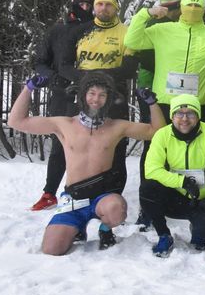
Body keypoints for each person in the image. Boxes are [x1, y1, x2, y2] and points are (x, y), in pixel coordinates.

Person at [8, 71, 165, 254]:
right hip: (74, 198)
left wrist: (152, 104)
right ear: (83, 95)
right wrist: (29, 88)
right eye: (91, 93)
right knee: (52, 249)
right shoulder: (64, 124)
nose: (96, 99)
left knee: (116, 209)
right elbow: (16, 121)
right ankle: (77, 229)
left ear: (108, 99)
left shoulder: (117, 127)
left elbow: (157, 131)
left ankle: (105, 229)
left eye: (102, 95)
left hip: (102, 198)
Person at [32, 0, 137, 210]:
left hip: (113, 96)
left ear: (116, 7)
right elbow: (64, 64)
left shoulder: (127, 32)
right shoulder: (79, 31)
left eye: (108, 4)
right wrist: (85, 79)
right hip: (81, 95)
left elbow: (129, 67)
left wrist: (100, 77)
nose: (102, 8)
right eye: (99, 4)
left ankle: (113, 199)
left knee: (115, 145)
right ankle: (62, 193)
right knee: (70, 143)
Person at [139, 94, 205, 257]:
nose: (184, 119)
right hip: (175, 196)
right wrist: (182, 181)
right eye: (179, 113)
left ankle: (199, 229)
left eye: (190, 113)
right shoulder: (162, 135)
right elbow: (151, 169)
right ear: (172, 116)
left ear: (198, 115)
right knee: (148, 188)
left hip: (203, 199)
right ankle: (164, 234)